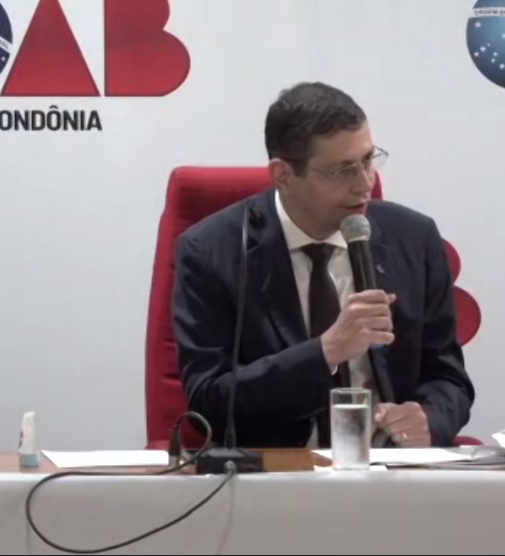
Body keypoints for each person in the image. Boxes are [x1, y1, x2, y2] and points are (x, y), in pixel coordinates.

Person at [172, 82, 474, 449]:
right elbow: (209, 401)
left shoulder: (414, 239)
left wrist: (428, 418)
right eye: (343, 170)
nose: (365, 184)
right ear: (283, 175)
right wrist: (326, 351)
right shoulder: (212, 252)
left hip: (390, 466)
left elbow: (449, 378)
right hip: (278, 470)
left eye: (368, 160)